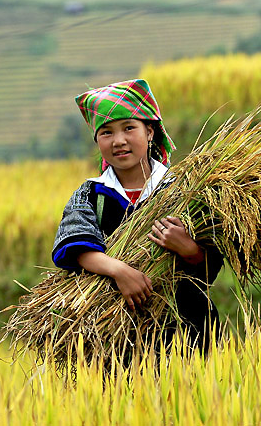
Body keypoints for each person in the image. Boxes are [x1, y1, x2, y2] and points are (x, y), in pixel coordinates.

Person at [51, 79, 221, 351]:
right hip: (115, 339)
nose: (119, 141)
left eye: (129, 128)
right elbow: (76, 248)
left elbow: (213, 263)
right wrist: (119, 271)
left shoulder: (185, 190)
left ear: (150, 132)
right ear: (97, 141)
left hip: (189, 331)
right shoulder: (90, 195)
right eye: (106, 133)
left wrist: (189, 248)